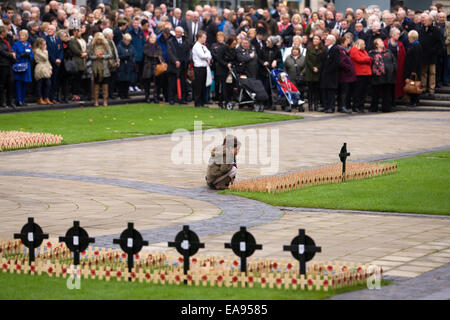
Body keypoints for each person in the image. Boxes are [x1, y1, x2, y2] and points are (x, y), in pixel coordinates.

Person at [369, 38, 397, 112]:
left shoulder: (388, 51)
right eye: (380, 42)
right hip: (377, 76)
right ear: (376, 45)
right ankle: (374, 108)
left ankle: (386, 108)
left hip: (388, 75)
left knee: (387, 93)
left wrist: (393, 68)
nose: (382, 42)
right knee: (375, 93)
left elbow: (394, 61)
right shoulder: (372, 53)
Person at [419, 15, 442, 97]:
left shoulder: (436, 30)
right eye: (424, 20)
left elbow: (439, 42)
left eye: (426, 20)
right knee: (423, 72)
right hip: (423, 55)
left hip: (432, 55)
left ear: (431, 21)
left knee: (432, 73)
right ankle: (423, 88)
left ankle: (431, 89)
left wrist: (434, 51)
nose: (424, 21)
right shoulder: (421, 29)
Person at [166, 26, 190, 104]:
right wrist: (175, 61)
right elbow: (170, 52)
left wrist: (186, 62)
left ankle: (182, 99)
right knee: (172, 83)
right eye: (176, 32)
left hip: (183, 65)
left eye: (179, 32)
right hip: (173, 66)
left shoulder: (186, 41)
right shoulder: (170, 41)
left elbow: (187, 52)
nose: (178, 33)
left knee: (183, 83)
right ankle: (171, 99)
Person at [89, 32, 112, 107]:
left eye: (100, 39)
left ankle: (105, 101)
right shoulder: (92, 46)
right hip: (96, 67)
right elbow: (90, 56)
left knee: (105, 85)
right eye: (98, 39)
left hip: (105, 67)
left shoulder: (106, 45)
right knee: (96, 85)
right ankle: (96, 101)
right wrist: (96, 56)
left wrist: (103, 56)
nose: (99, 41)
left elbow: (110, 54)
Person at [384, 27, 406, 104]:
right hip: (387, 67)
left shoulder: (400, 44)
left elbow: (403, 55)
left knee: (396, 83)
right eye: (397, 34)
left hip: (397, 66)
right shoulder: (385, 43)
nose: (398, 35)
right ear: (392, 35)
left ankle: (393, 100)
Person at [349, 39, 372, 113]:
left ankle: (361, 106)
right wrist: (368, 59)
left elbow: (365, 59)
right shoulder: (354, 50)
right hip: (359, 73)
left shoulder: (364, 51)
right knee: (358, 91)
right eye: (363, 44)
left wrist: (367, 59)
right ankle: (356, 106)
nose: (365, 46)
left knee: (363, 91)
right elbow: (359, 59)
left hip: (366, 73)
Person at [12, 29, 33, 106]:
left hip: (27, 66)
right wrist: (19, 56)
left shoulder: (28, 44)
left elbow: (32, 56)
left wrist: (28, 56)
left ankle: (23, 100)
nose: (21, 37)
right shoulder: (16, 44)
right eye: (20, 35)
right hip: (19, 66)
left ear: (26, 36)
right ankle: (18, 100)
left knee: (25, 83)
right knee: (18, 83)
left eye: (23, 35)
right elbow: (13, 54)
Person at [319, 35, 340, 113]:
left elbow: (336, 63)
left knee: (331, 92)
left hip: (331, 75)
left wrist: (328, 70)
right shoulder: (326, 49)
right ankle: (326, 106)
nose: (325, 41)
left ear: (331, 41)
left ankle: (331, 107)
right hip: (325, 74)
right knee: (325, 91)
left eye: (327, 40)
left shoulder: (335, 49)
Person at [192, 30, 212, 108]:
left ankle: (202, 102)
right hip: (199, 68)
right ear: (199, 38)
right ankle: (197, 102)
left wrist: (207, 55)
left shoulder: (203, 46)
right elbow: (202, 56)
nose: (205, 39)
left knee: (203, 85)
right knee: (199, 86)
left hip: (204, 67)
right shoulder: (196, 46)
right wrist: (207, 55)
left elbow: (209, 54)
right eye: (204, 37)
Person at [305, 35, 324, 111]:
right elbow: (307, 60)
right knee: (310, 90)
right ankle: (310, 105)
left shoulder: (322, 49)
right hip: (310, 71)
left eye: (317, 39)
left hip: (318, 72)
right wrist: (312, 67)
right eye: (314, 39)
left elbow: (322, 61)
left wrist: (318, 68)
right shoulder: (309, 48)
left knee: (316, 90)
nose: (315, 40)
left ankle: (316, 105)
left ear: (320, 40)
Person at [403, 30, 423, 107]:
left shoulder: (416, 46)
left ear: (412, 38)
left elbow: (416, 59)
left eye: (409, 37)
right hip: (412, 69)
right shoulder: (413, 45)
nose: (408, 39)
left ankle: (414, 101)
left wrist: (413, 71)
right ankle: (414, 101)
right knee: (413, 84)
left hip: (414, 70)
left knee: (413, 85)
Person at [336, 36, 355, 113]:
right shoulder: (340, 50)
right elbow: (341, 62)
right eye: (346, 42)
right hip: (343, 75)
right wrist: (349, 67)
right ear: (342, 43)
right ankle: (342, 106)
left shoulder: (343, 50)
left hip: (345, 75)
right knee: (343, 91)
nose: (348, 43)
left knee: (344, 91)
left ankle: (341, 106)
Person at [45, 25, 63, 103]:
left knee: (54, 81)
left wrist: (59, 59)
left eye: (51, 29)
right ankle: (46, 97)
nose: (49, 30)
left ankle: (52, 98)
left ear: (55, 31)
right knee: (48, 81)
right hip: (49, 63)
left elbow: (61, 50)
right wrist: (54, 60)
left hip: (57, 63)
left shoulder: (58, 39)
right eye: (48, 29)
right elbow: (48, 51)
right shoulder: (45, 39)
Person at [283, 46, 306, 110]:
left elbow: (306, 67)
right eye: (293, 49)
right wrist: (285, 74)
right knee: (291, 91)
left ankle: (300, 105)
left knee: (300, 91)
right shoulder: (288, 57)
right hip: (290, 78)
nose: (294, 51)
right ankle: (292, 104)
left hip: (300, 78)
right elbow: (284, 67)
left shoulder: (303, 58)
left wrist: (302, 73)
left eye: (296, 50)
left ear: (299, 51)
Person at [142, 33, 162, 103]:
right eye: (151, 38)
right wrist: (156, 55)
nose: (153, 40)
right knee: (147, 83)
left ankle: (155, 97)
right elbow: (148, 53)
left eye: (154, 38)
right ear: (149, 38)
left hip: (155, 66)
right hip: (148, 66)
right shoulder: (146, 46)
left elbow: (160, 54)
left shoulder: (158, 46)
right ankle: (147, 97)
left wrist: (156, 55)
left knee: (156, 84)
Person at [0, 26, 16, 109]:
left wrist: (12, 53)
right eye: (6, 31)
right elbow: (2, 51)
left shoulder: (6, 41)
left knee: (10, 83)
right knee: (2, 84)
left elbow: (8, 50)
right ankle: (2, 101)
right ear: (2, 32)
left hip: (8, 64)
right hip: (2, 65)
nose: (7, 33)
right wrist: (11, 55)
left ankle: (10, 101)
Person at [117, 33, 136, 100]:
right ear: (124, 40)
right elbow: (118, 56)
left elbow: (134, 55)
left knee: (128, 81)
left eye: (129, 41)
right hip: (122, 66)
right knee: (122, 81)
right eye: (127, 40)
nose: (128, 42)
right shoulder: (119, 46)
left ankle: (126, 94)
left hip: (129, 66)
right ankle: (121, 94)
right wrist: (124, 57)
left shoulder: (131, 47)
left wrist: (132, 60)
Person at [33, 38, 52, 105]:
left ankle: (46, 97)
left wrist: (50, 68)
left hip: (46, 67)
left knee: (48, 83)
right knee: (39, 84)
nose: (45, 45)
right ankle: (39, 98)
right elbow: (45, 58)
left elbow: (47, 60)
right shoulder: (37, 51)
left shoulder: (45, 51)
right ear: (40, 44)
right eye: (44, 44)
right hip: (40, 67)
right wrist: (45, 51)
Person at [211, 32, 227, 108]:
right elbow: (213, 54)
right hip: (216, 66)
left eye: (221, 37)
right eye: (218, 37)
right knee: (217, 82)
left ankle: (222, 98)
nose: (220, 38)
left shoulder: (225, 46)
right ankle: (216, 96)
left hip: (223, 67)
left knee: (223, 83)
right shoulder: (214, 45)